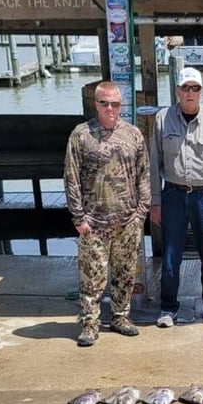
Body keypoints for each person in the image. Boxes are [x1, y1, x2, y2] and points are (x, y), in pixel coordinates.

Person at [63, 80, 151, 347]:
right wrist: (79, 219)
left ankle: (121, 316)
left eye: (115, 103)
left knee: (125, 273)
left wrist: (140, 213)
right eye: (104, 103)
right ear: (96, 104)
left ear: (121, 105)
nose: (110, 108)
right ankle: (89, 323)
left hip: (127, 221)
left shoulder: (133, 134)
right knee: (92, 276)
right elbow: (71, 177)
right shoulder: (81, 135)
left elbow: (144, 174)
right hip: (94, 222)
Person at [149, 66, 203, 328]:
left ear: (201, 92)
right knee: (171, 256)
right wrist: (155, 201)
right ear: (177, 91)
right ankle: (168, 308)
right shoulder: (162, 119)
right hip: (173, 194)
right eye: (185, 88)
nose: (190, 93)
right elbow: (154, 163)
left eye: (194, 88)